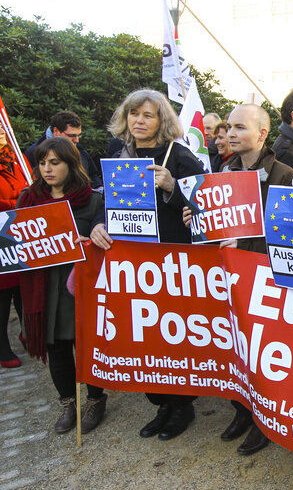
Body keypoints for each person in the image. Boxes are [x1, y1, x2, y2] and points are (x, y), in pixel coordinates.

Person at [93, 89, 205, 441]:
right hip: (130, 263)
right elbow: (105, 199)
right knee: (141, 334)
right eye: (133, 114)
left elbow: (207, 211)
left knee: (171, 335)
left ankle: (182, 405)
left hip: (170, 264)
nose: (139, 121)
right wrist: (97, 224)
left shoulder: (181, 156)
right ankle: (160, 401)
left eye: (148, 115)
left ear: (162, 121)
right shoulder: (117, 153)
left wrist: (173, 188)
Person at [199, 104, 293, 455]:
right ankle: (241, 409)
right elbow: (216, 226)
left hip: (263, 279)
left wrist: (246, 241)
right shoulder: (223, 170)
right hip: (229, 277)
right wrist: (198, 218)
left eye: (240, 127)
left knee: (262, 350)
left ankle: (264, 419)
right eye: (229, 127)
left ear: (262, 133)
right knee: (235, 348)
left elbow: (290, 233)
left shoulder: (285, 174)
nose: (232, 134)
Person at [18, 137, 108, 434]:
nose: (48, 169)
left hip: (79, 287)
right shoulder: (27, 199)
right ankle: (68, 402)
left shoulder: (93, 200)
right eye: (43, 163)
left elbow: (107, 240)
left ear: (71, 164)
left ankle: (95, 400)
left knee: (86, 345)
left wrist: (95, 234)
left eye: (55, 162)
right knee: (56, 348)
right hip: (43, 289)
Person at [0, 125, 29, 368]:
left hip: (20, 233)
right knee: (3, 294)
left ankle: (27, 332)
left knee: (23, 288)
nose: (0, 129)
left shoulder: (17, 159)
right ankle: (2, 345)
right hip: (1, 238)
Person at [25, 111, 102, 189]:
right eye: (72, 135)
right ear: (56, 131)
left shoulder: (80, 151)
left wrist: (99, 189)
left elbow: (93, 177)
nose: (76, 140)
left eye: (79, 135)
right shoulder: (34, 152)